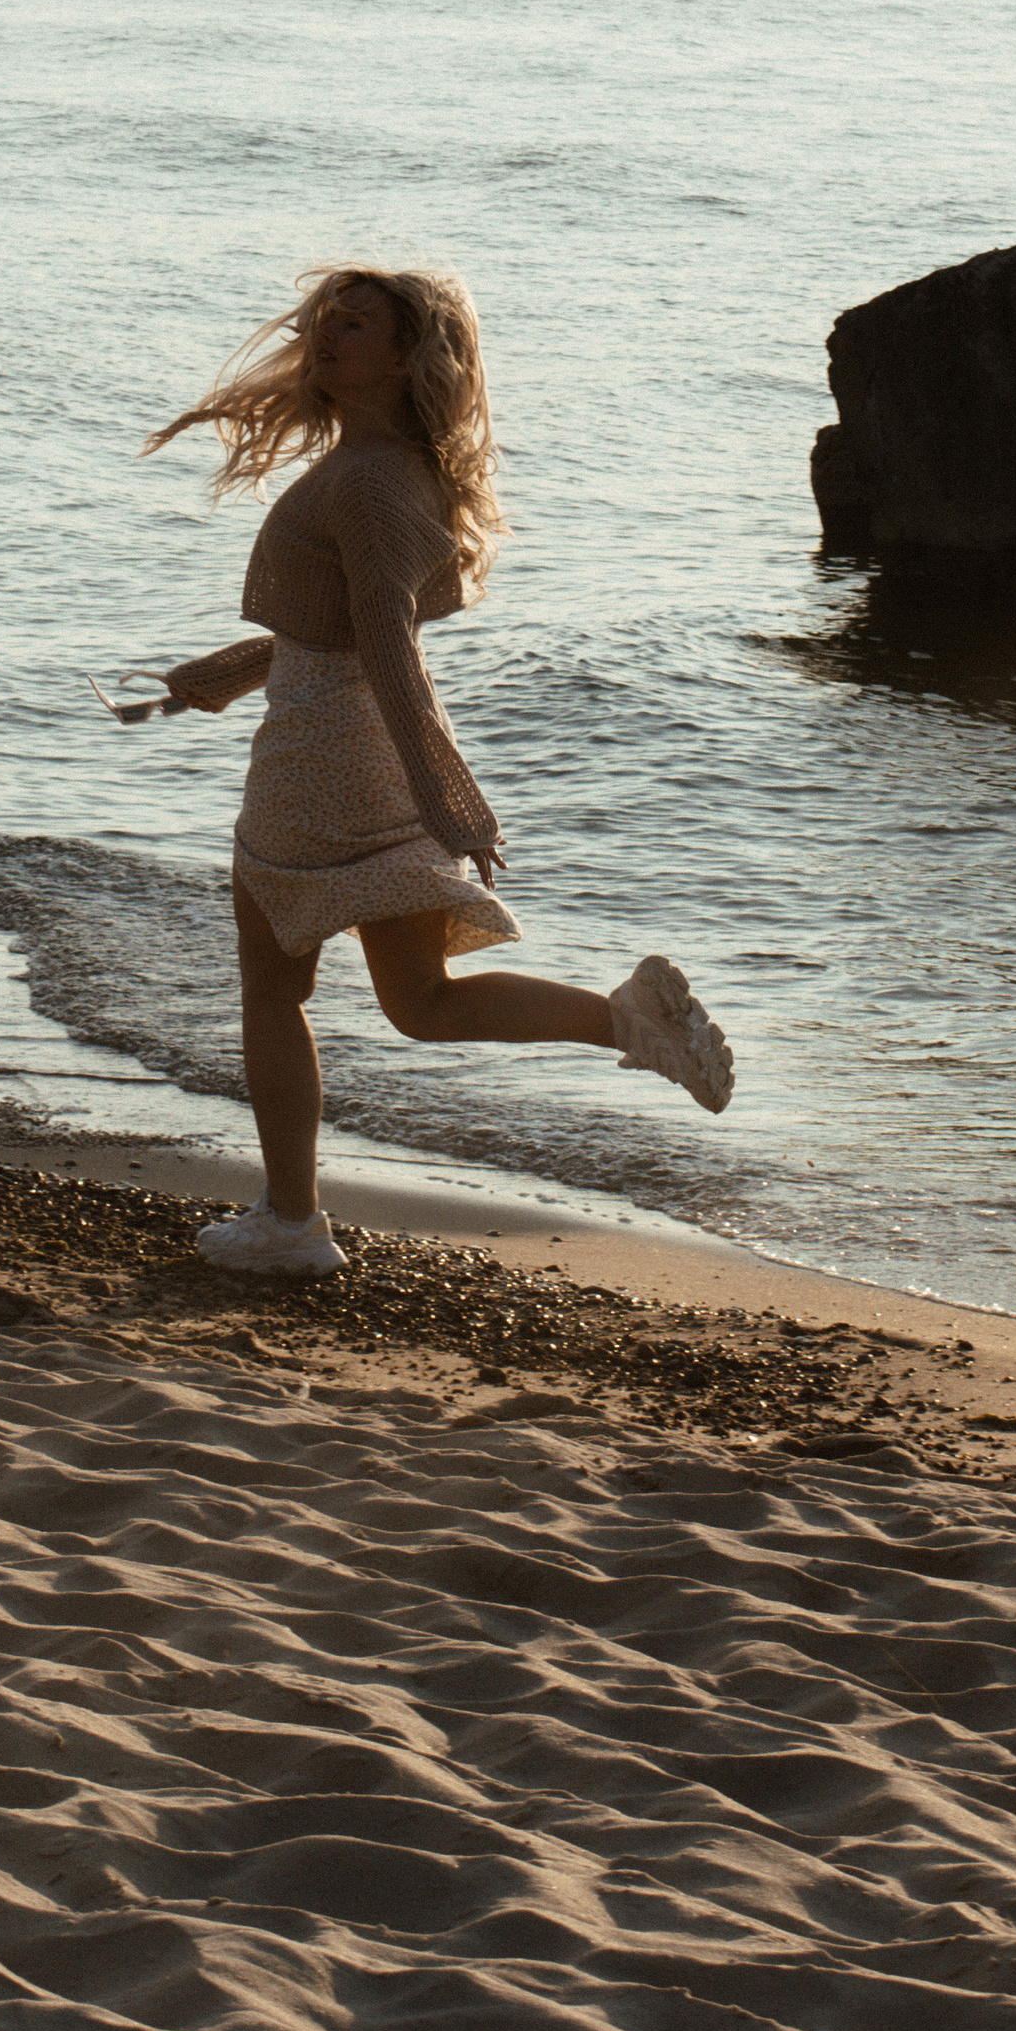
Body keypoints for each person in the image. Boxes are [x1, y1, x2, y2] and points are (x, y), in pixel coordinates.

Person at [142, 263, 733, 1277]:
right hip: (363, 746)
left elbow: (384, 645)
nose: (325, 334)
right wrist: (234, 670)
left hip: (318, 760)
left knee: (273, 991)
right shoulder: (389, 467)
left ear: (409, 354)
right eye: (322, 318)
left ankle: (291, 1220)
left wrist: (453, 802)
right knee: (420, 999)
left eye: (354, 323)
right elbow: (358, 628)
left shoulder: (367, 479)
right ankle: (625, 1018)